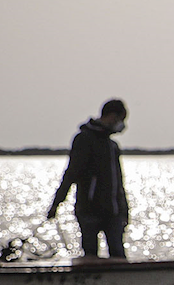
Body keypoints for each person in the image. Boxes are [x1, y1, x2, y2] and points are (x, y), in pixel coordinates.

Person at [47, 98, 131, 258]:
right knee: (90, 255)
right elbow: (71, 173)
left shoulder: (112, 146)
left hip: (113, 213)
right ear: (112, 116)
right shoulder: (84, 140)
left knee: (118, 255)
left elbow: (119, 183)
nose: (122, 126)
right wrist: (56, 204)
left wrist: (124, 211)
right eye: (121, 120)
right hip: (89, 211)